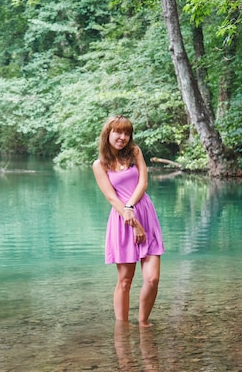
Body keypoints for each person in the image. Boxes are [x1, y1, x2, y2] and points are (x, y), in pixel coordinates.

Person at [93, 115, 164, 327]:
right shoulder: (100, 164)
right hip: (122, 221)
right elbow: (111, 197)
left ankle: (143, 323)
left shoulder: (134, 152)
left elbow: (143, 182)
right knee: (125, 281)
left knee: (152, 279)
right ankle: (122, 329)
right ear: (108, 134)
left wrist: (131, 206)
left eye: (127, 133)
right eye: (118, 132)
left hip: (144, 213)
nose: (122, 137)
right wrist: (129, 216)